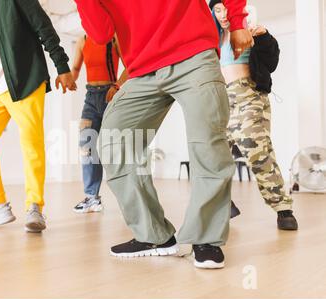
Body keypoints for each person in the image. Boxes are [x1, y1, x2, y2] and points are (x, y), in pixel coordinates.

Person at [74, 0, 253, 269]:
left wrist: (238, 22)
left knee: (207, 142)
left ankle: (206, 239)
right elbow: (100, 33)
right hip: (141, 69)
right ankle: (154, 235)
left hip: (193, 53)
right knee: (113, 139)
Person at [0, 0, 76, 232]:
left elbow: (42, 26)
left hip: (25, 79)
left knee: (31, 142)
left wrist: (62, 66)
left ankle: (34, 207)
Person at [210, 0, 298, 230]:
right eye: (217, 10)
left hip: (248, 94)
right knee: (213, 153)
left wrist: (265, 36)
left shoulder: (249, 31)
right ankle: (222, 204)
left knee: (255, 148)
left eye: (226, 9)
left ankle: (282, 208)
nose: (222, 14)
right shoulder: (211, 39)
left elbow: (271, 61)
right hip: (220, 98)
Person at [71, 35, 128, 214]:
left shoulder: (114, 39)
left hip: (110, 96)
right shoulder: (82, 41)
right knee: (86, 146)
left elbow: (129, 67)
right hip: (90, 98)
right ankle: (92, 198)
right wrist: (69, 79)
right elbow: (75, 68)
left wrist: (117, 86)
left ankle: (128, 197)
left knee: (115, 147)